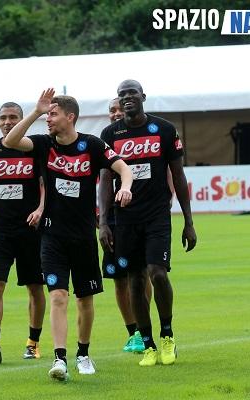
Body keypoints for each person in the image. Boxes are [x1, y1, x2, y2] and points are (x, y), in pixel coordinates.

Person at [4, 88, 133, 381]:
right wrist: (35, 111)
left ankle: (83, 353)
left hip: (84, 236)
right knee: (58, 296)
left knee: (85, 299)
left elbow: (124, 169)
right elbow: (10, 141)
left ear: (70, 116)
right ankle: (59, 358)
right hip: (52, 236)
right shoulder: (43, 144)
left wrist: (125, 187)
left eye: (53, 114)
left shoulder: (92, 145)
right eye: (47, 114)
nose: (48, 119)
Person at [100, 79, 197, 367]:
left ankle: (167, 335)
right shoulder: (110, 134)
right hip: (125, 217)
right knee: (135, 279)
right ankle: (148, 344)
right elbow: (105, 180)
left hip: (157, 215)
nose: (127, 98)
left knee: (158, 274)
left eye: (132, 93)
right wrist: (104, 222)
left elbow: (178, 175)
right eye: (122, 95)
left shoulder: (164, 129)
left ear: (143, 96)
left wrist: (189, 221)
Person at [0, 102, 47, 364]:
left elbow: (45, 185)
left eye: (13, 117)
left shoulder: (33, 149)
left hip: (31, 231)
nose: (7, 122)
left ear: (22, 120)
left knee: (35, 286)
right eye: (3, 117)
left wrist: (41, 208)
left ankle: (33, 342)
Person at [99, 98, 151, 354]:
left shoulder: (146, 136)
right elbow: (103, 179)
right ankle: (133, 332)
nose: (116, 113)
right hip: (113, 218)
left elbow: (165, 171)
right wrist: (102, 219)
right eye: (112, 110)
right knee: (119, 279)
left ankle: (144, 328)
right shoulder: (106, 139)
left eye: (120, 109)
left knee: (141, 273)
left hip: (142, 215)